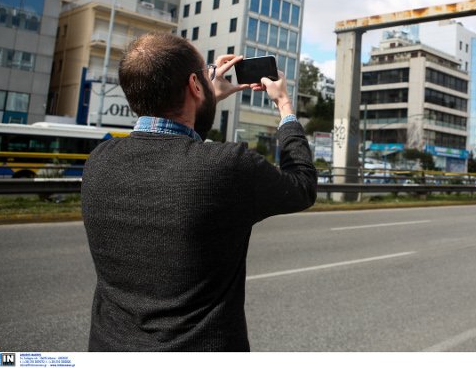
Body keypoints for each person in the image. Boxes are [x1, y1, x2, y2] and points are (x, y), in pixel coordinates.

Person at [81, 32, 317, 351]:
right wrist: (284, 105)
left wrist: (204, 97)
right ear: (193, 85)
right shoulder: (226, 167)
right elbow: (302, 185)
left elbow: (178, 150)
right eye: (205, 73)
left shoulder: (99, 161)